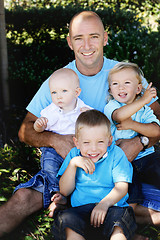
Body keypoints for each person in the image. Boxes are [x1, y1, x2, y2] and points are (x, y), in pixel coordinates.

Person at [0, 10, 160, 239]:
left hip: (118, 167)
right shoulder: (60, 80)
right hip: (71, 170)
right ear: (69, 42)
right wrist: (55, 140)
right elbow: (25, 129)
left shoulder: (124, 74)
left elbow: (157, 120)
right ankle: (73, 205)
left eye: (94, 36)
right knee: (23, 200)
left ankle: (94, 213)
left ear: (105, 38)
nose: (87, 45)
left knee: (146, 208)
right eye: (78, 38)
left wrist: (140, 142)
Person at [52, 109, 137, 240]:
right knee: (67, 221)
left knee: (118, 227)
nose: (93, 149)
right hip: (81, 211)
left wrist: (103, 204)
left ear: (109, 141)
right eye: (86, 142)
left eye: (100, 142)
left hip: (112, 208)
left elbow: (122, 188)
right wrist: (73, 165)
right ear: (77, 142)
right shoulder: (74, 155)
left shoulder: (116, 154)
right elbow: (64, 191)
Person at [14, 68, 91, 209]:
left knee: (83, 167)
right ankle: (57, 193)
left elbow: (94, 122)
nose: (58, 97)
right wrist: (39, 126)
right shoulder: (51, 110)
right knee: (49, 166)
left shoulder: (82, 108)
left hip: (76, 148)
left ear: (77, 92)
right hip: (54, 149)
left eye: (64, 91)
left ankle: (80, 192)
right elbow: (38, 128)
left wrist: (90, 115)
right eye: (54, 93)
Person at [104, 61, 160, 208]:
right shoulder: (112, 106)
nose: (121, 87)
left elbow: (156, 131)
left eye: (127, 83)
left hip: (147, 157)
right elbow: (119, 116)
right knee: (130, 197)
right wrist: (143, 100)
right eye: (115, 84)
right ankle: (125, 224)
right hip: (123, 163)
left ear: (138, 88)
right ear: (110, 90)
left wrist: (133, 125)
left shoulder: (144, 110)